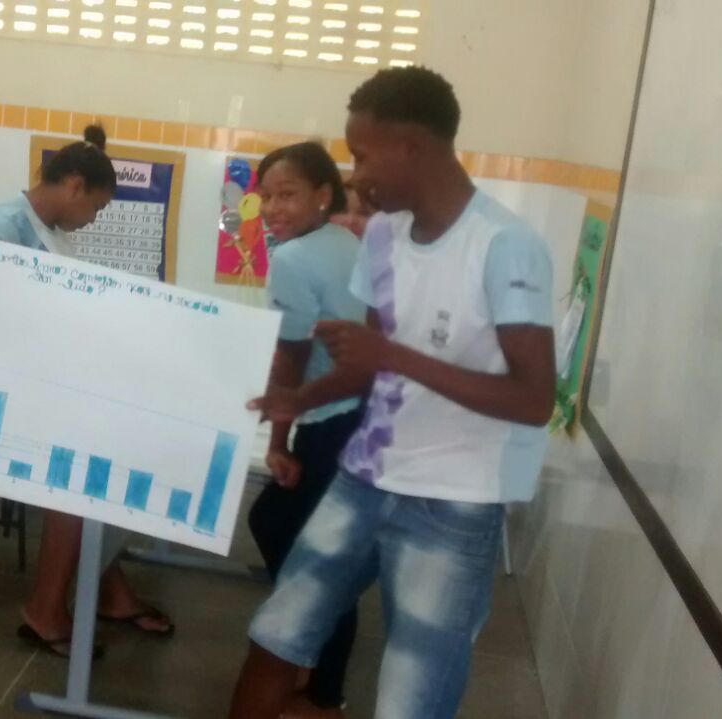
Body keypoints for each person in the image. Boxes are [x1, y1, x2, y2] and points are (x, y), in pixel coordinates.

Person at [231, 66, 556, 719]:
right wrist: (300, 399)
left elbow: (533, 398)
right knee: (276, 634)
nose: (355, 177)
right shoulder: (382, 234)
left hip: (455, 502)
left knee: (412, 696)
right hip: (364, 476)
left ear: (412, 147)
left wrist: (396, 358)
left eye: (362, 155)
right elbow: (369, 362)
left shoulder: (506, 246)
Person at [0, 125, 174, 658]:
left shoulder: (48, 229)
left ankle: (107, 589)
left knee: (111, 455)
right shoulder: (3, 225)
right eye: (97, 207)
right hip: (1, 393)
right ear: (74, 186)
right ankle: (45, 609)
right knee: (80, 477)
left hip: (42, 380)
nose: (94, 219)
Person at [246, 141, 366, 719]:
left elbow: (291, 358)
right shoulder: (344, 242)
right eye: (266, 197)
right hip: (359, 414)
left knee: (308, 554)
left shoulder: (294, 258)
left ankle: (320, 691)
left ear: (322, 195)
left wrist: (276, 444)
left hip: (334, 422)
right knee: (296, 536)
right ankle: (309, 660)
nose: (273, 208)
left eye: (287, 195)